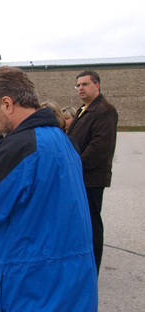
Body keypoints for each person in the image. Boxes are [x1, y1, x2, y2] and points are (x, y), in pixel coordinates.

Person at [0, 66, 98, 312]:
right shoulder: (61, 140)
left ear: (7, 103)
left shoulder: (21, 147)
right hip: (62, 289)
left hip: (27, 296)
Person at [67, 70, 118, 275]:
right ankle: (82, 264)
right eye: (78, 85)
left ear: (97, 85)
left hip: (90, 178)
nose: (80, 88)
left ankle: (91, 269)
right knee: (81, 223)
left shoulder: (104, 110)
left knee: (92, 222)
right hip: (79, 177)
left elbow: (99, 146)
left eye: (85, 84)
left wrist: (75, 165)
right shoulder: (84, 109)